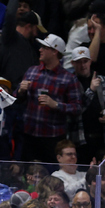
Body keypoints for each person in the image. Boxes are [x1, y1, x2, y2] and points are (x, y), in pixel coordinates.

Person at [15, 34, 82, 163]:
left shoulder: (68, 78)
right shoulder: (32, 71)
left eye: (44, 47)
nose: (40, 50)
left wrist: (56, 104)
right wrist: (20, 91)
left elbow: (77, 108)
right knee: (27, 174)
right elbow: (17, 99)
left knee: (51, 173)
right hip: (29, 134)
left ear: (54, 51)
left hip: (52, 137)